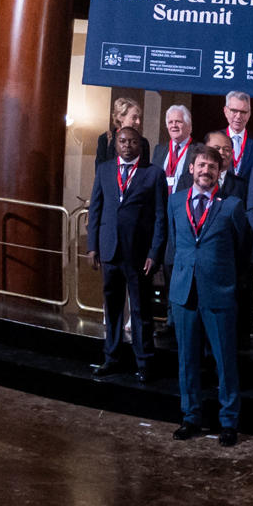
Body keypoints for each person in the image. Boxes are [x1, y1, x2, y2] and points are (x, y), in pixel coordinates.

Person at [167, 148, 252, 446]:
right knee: (187, 360)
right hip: (184, 291)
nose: (206, 170)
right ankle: (190, 417)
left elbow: (243, 250)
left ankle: (228, 421)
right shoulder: (176, 202)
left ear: (219, 172)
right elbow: (175, 242)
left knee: (224, 361)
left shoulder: (232, 206)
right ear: (191, 168)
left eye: (212, 167)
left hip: (219, 292)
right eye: (201, 164)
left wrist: (232, 283)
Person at [85, 124, 166, 378]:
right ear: (116, 144)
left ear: (140, 144)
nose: (127, 146)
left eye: (132, 142)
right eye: (123, 141)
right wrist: (92, 247)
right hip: (109, 250)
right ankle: (112, 358)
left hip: (139, 255)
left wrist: (155, 253)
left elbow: (160, 217)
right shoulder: (104, 170)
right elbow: (95, 210)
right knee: (113, 308)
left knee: (141, 310)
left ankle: (144, 363)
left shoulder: (153, 174)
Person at [219, 91, 253, 183]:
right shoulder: (215, 139)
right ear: (225, 111)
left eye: (243, 112)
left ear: (249, 114)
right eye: (234, 111)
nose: (238, 116)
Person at [155, 104, 197, 191]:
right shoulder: (159, 149)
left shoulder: (199, 149)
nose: (174, 125)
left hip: (184, 202)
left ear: (188, 125)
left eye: (178, 121)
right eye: (170, 122)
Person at [94, 95, 141, 167]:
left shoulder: (142, 142)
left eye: (138, 118)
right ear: (120, 117)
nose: (138, 122)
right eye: (134, 118)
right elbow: (99, 172)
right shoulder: (106, 139)